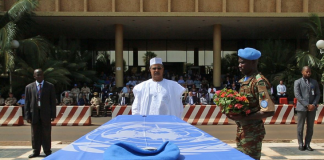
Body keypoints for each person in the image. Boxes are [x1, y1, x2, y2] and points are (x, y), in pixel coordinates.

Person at [225, 48, 274, 160]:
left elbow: (269, 110)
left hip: (253, 133)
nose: (240, 65)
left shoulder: (259, 82)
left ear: (253, 62)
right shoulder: (245, 80)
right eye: (239, 62)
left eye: (242, 62)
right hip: (243, 130)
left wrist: (244, 117)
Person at [24, 69, 56, 158]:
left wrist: (53, 115)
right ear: (34, 76)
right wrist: (27, 115)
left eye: (41, 75)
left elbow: (52, 102)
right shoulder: (29, 87)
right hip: (34, 114)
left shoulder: (50, 86)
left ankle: (47, 151)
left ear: (43, 75)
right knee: (35, 133)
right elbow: (27, 102)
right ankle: (36, 151)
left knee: (46, 133)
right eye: (37, 75)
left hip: (46, 114)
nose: (39, 76)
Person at [294, 66, 320, 151]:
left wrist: (313, 104)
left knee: (310, 127)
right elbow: (297, 95)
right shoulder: (297, 82)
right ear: (302, 72)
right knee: (300, 126)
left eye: (309, 72)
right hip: (302, 108)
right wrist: (306, 105)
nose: (308, 73)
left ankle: (307, 144)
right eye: (306, 72)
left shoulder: (314, 82)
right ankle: (300, 144)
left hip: (312, 108)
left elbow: (318, 94)